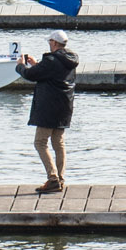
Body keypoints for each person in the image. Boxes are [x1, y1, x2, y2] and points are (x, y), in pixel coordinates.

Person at [18, 30, 79, 195]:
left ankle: (52, 179)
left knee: (40, 142)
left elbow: (30, 75)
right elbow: (49, 74)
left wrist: (21, 65)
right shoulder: (70, 60)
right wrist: (37, 64)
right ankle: (60, 179)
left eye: (49, 42)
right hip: (64, 107)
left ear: (53, 43)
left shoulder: (51, 60)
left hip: (48, 108)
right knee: (58, 143)